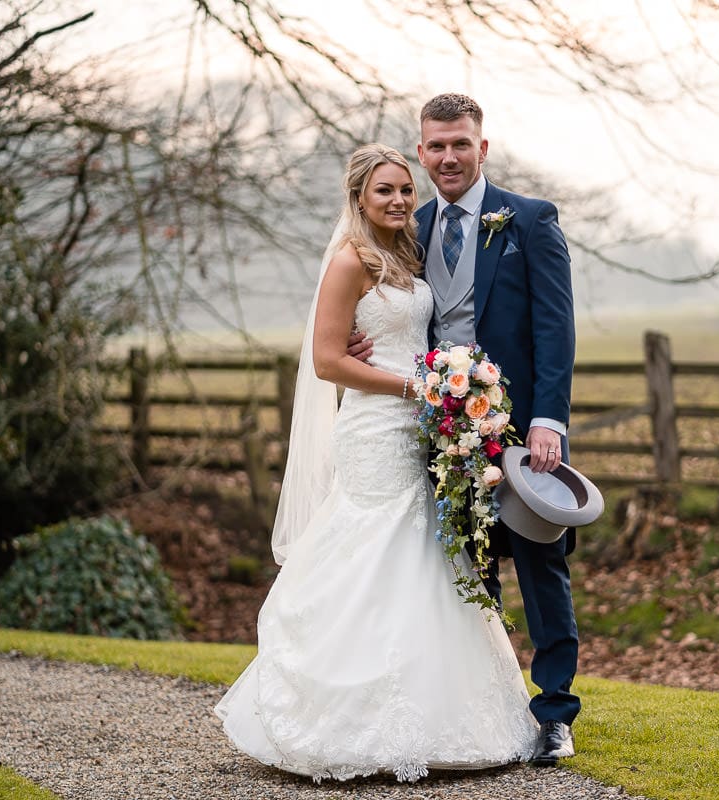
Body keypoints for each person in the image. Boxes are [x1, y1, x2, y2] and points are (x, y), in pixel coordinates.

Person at [213, 143, 537, 783]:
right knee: (371, 544)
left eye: (404, 190)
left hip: (417, 425)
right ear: (359, 198)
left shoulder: (407, 258)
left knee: (420, 550)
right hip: (373, 425)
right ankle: (342, 715)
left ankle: (431, 713)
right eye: (384, 190)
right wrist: (415, 387)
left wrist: (441, 388)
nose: (397, 199)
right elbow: (330, 361)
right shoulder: (349, 262)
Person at [350, 93, 580, 766]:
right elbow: (387, 307)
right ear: (422, 153)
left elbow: (554, 328)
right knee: (466, 572)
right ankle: (491, 708)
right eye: (436, 146)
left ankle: (557, 714)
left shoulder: (530, 221)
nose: (448, 157)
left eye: (460, 144)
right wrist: (363, 343)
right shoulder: (408, 227)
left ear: (482, 149)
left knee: (542, 566)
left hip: (520, 433)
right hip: (441, 431)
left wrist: (547, 421)